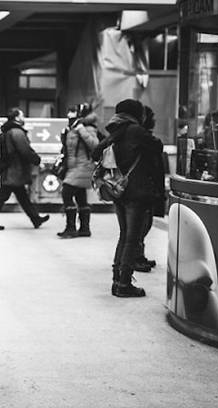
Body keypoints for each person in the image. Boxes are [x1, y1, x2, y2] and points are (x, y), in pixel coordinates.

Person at [92, 99, 163, 298]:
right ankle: (124, 283)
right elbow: (157, 146)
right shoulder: (135, 131)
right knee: (133, 238)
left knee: (125, 235)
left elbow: (95, 152)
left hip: (119, 190)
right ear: (136, 113)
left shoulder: (116, 131)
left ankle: (117, 280)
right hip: (136, 192)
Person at [0, 108, 49, 230]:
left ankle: (36, 219)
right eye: (22, 115)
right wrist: (37, 160)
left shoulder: (8, 131)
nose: (23, 117)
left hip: (11, 169)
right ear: (17, 117)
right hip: (14, 170)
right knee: (3, 196)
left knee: (21, 196)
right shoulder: (16, 132)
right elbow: (25, 150)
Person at [56, 103, 100, 238]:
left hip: (83, 166)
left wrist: (81, 130)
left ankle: (71, 228)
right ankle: (84, 229)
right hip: (74, 167)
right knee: (80, 195)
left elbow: (95, 145)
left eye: (72, 111)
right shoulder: (72, 127)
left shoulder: (87, 128)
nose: (69, 114)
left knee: (67, 192)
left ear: (80, 114)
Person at [134, 106, 165, 272]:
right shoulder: (142, 139)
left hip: (147, 187)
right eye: (151, 117)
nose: (154, 120)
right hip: (142, 187)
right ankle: (135, 258)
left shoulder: (143, 137)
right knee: (140, 225)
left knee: (145, 223)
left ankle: (139, 255)